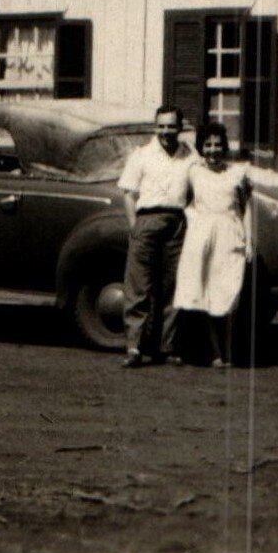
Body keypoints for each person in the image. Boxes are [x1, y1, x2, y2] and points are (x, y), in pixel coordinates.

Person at [172, 121, 255, 368]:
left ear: (224, 147)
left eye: (217, 145)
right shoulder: (193, 172)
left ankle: (230, 350)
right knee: (206, 293)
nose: (213, 150)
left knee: (228, 293)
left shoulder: (237, 174)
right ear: (201, 148)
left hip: (230, 236)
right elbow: (183, 201)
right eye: (207, 145)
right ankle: (216, 353)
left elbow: (245, 209)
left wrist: (249, 241)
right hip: (202, 237)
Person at [115, 104, 193, 368]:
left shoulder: (189, 156)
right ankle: (134, 347)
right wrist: (134, 225)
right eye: (161, 126)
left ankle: (168, 347)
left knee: (173, 287)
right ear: (155, 127)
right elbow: (128, 192)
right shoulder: (142, 155)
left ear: (180, 128)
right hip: (146, 220)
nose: (166, 131)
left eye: (171, 126)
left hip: (177, 223)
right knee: (139, 286)